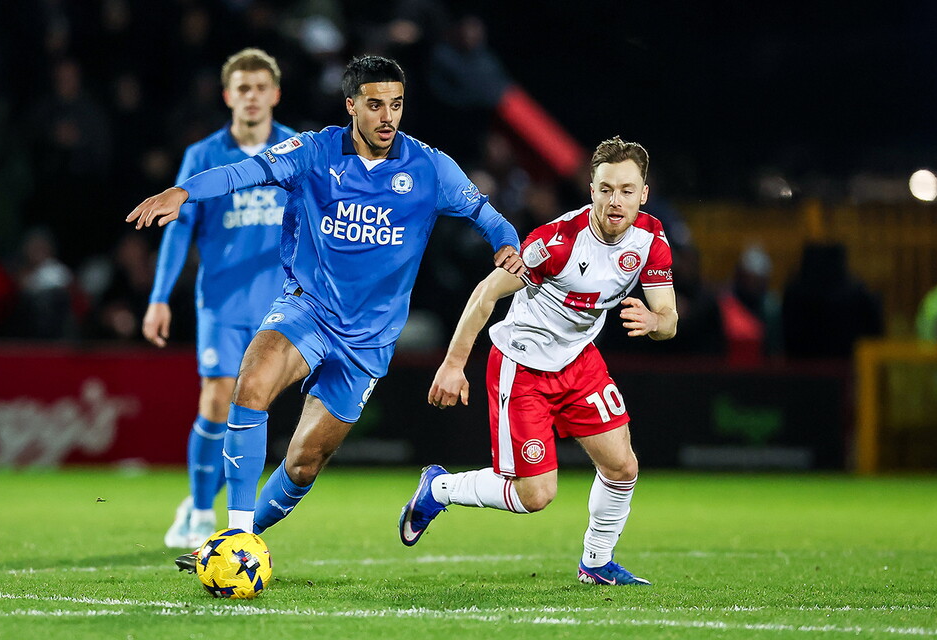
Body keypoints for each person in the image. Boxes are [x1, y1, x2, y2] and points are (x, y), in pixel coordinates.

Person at [125, 55, 525, 571]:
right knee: (250, 385)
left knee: (305, 462)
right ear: (351, 105)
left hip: (369, 341)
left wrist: (505, 246)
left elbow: (490, 219)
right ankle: (235, 538)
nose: (388, 117)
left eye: (397, 105)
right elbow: (243, 172)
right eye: (375, 105)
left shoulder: (430, 168)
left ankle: (234, 540)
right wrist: (184, 191)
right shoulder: (313, 151)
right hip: (306, 310)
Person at [398, 137, 678, 586]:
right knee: (536, 495)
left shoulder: (650, 239)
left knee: (623, 467)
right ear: (591, 190)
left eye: (627, 190)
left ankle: (597, 562)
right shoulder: (556, 243)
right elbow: (486, 293)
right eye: (606, 189)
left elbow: (670, 321)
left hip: (580, 362)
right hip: (523, 367)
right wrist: (454, 364)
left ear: (643, 194)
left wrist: (655, 320)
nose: (615, 201)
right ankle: (439, 488)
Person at [142, 49, 297, 549]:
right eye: (242, 89)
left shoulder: (296, 150)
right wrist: (160, 296)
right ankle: (199, 509)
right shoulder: (203, 156)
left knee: (249, 412)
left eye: (260, 88)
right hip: (222, 304)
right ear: (228, 96)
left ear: (274, 94)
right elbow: (176, 231)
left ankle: (230, 513)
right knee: (215, 400)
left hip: (281, 307)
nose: (251, 97)